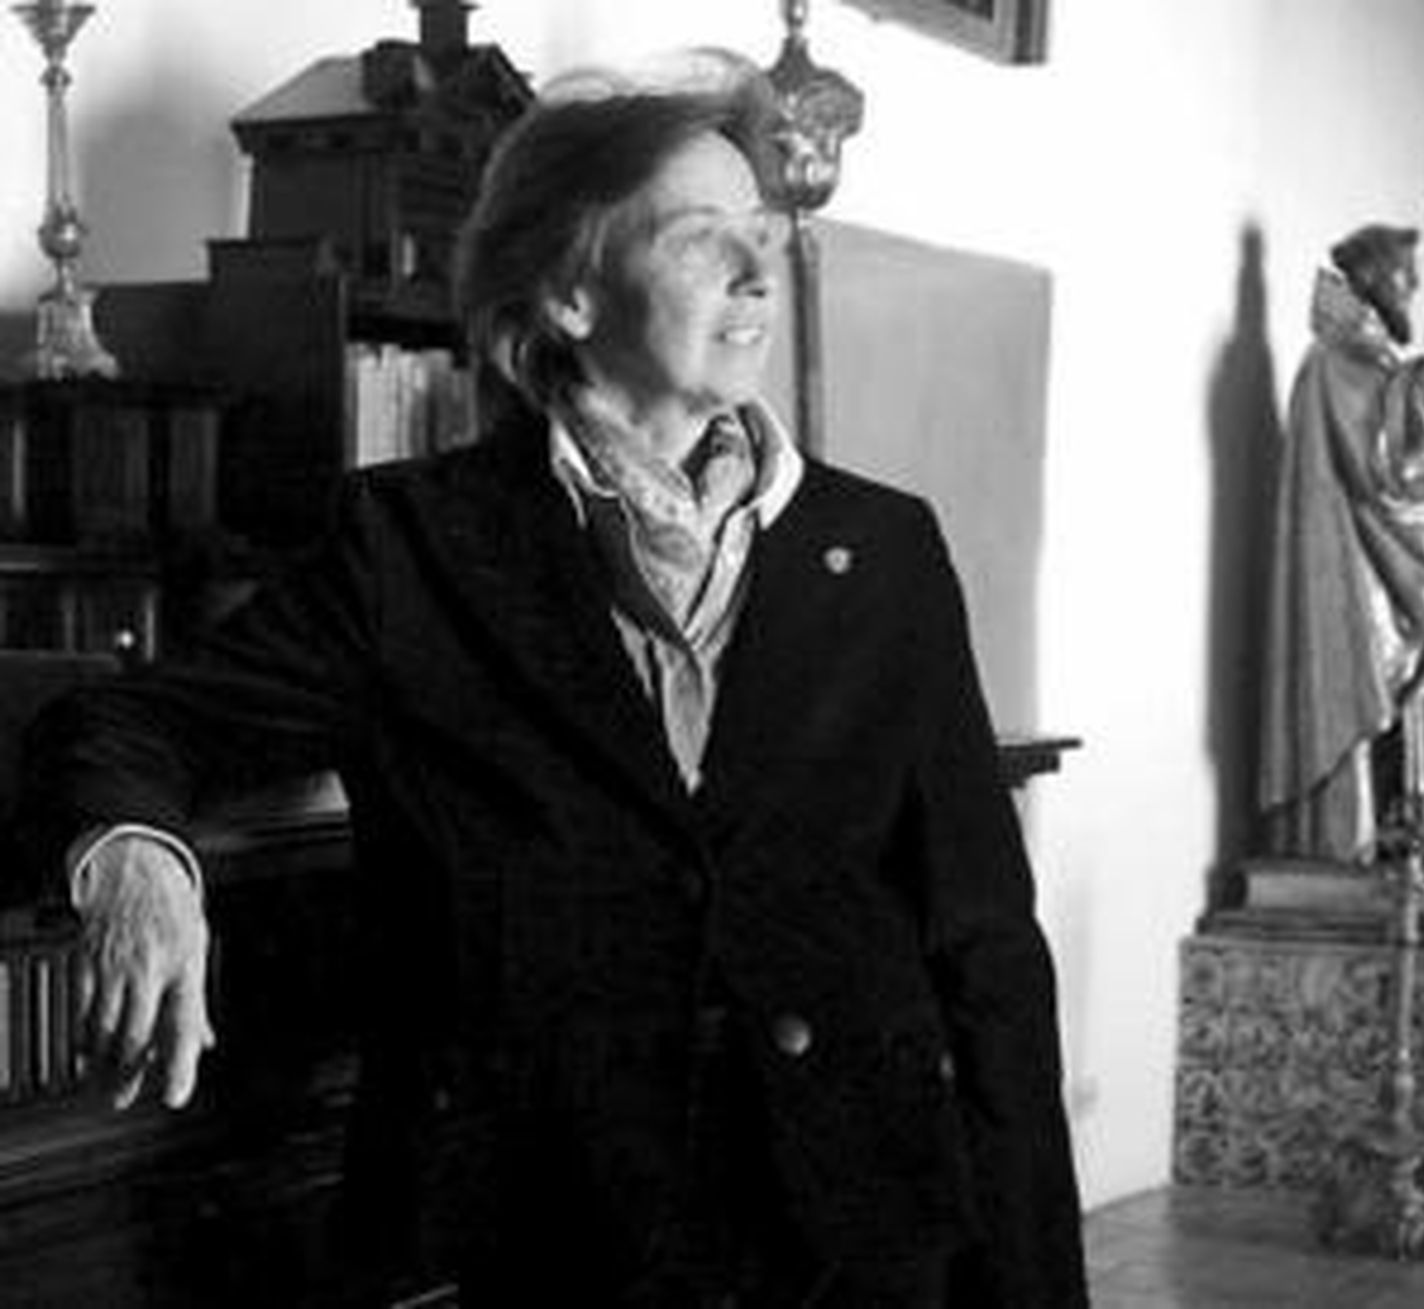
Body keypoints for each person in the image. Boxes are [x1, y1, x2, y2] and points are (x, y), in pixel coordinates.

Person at [20, 58, 1087, 1308]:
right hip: (551, 1242)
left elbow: (985, 949)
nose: (756, 276)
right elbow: (125, 719)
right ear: (571, 293)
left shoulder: (885, 548)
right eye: (702, 240)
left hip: (858, 1237)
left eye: (760, 235)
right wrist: (139, 859)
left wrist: (1031, 1285)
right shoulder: (412, 545)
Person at [1259, 222, 1424, 865]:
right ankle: (1414, 816)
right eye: (1405, 275)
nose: (1414, 286)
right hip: (1374, 573)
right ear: (1370, 279)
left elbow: (1401, 456)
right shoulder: (1334, 361)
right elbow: (1376, 456)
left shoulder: (1371, 356)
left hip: (1414, 559)